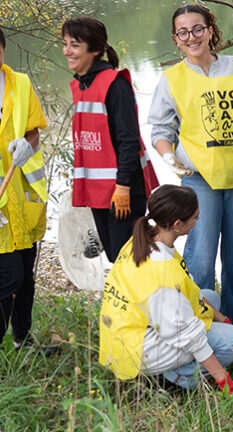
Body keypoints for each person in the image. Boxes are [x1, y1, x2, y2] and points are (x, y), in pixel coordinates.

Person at [149, 4, 233, 329]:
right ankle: (194, 329)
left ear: (211, 30)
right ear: (176, 39)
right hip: (199, 179)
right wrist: (168, 156)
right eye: (183, 32)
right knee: (200, 259)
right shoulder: (172, 78)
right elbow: (161, 130)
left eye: (198, 29)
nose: (192, 37)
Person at [98, 184, 233, 404]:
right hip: (138, 352)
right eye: (195, 217)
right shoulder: (161, 275)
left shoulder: (143, 241)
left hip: (124, 334)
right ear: (178, 224)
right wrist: (223, 380)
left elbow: (190, 290)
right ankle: (176, 379)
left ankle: (174, 368)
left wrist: (221, 319)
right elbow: (190, 337)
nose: (198, 220)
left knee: (210, 296)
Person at [64, 17, 159, 263]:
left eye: (74, 45)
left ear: (94, 50)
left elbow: (128, 141)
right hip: (99, 192)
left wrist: (124, 187)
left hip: (123, 189)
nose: (66, 51)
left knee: (128, 260)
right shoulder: (79, 85)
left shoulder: (114, 84)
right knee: (115, 259)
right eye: (65, 44)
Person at [0, 27, 55, 353]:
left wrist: (27, 145)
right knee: (8, 278)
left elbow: (33, 132)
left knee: (26, 277)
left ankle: (23, 339)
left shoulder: (19, 84)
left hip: (22, 199)